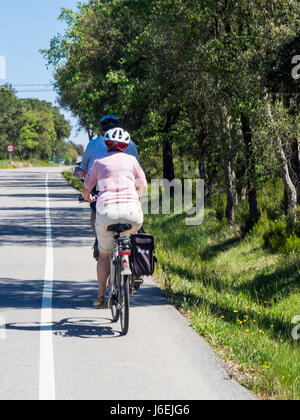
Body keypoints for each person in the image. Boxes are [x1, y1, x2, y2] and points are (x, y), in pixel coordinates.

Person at [83, 127, 148, 309]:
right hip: (131, 212)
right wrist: (136, 197)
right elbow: (142, 187)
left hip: (106, 212)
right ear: (126, 145)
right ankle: (132, 270)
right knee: (130, 238)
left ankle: (101, 296)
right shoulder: (133, 161)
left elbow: (87, 189)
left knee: (104, 255)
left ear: (106, 144)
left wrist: (88, 198)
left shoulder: (98, 162)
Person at [80, 115, 140, 259]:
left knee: (95, 211)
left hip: (101, 186)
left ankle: (98, 240)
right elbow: (137, 168)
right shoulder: (130, 144)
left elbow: (83, 170)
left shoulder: (93, 144)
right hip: (127, 187)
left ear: (101, 131)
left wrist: (87, 185)